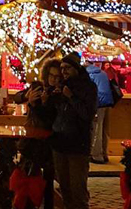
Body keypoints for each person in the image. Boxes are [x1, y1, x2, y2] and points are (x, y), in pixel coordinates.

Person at [50, 53, 97, 209]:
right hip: (60, 142)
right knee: (65, 188)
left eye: (67, 68)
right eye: (62, 68)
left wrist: (70, 97)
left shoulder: (88, 87)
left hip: (78, 143)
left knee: (77, 187)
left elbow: (87, 114)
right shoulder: (62, 86)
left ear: (76, 68)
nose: (64, 71)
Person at [86, 61, 113, 164]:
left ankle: (96, 155)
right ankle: (104, 153)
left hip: (98, 103)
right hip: (107, 102)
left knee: (96, 128)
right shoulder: (102, 73)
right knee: (104, 129)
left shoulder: (89, 75)